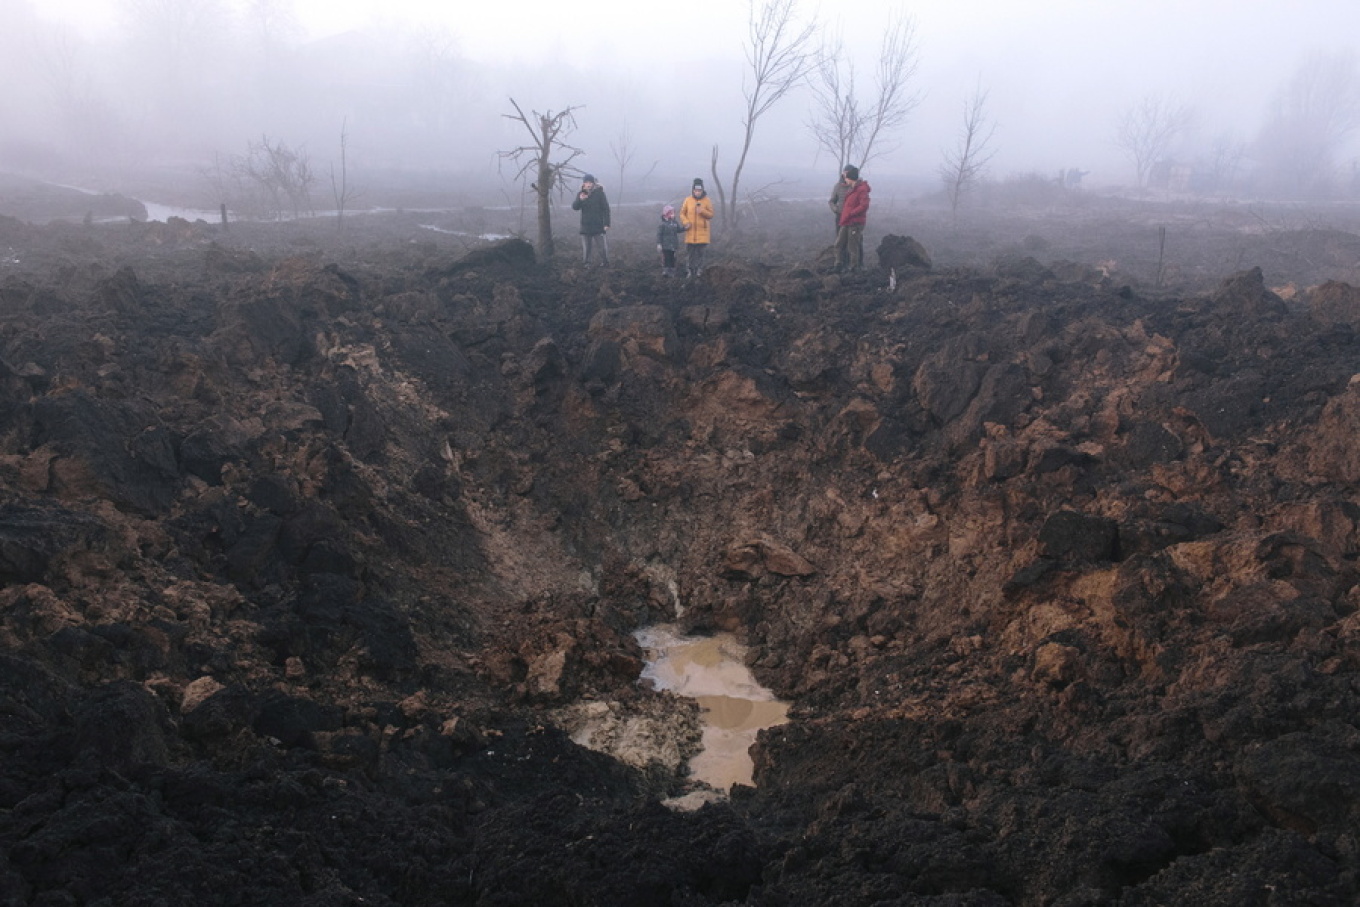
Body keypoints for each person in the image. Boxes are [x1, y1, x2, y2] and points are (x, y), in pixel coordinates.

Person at [833, 165, 870, 272]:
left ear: (850, 178)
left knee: (852, 246)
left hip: (855, 222)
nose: (845, 179)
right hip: (846, 221)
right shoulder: (851, 190)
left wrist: (851, 213)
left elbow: (864, 206)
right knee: (839, 244)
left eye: (846, 177)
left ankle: (854, 268)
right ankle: (838, 264)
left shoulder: (861, 190)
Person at [571, 174, 610, 266]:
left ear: (593, 183)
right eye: (586, 182)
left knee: (602, 247)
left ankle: (605, 262)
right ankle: (586, 264)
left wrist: (606, 223)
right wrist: (580, 200)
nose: (588, 184)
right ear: (583, 184)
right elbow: (575, 207)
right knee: (587, 248)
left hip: (598, 225)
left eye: (590, 182)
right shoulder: (581, 194)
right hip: (586, 226)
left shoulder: (600, 194)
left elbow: (606, 209)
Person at [679, 178, 714, 277]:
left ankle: (699, 270)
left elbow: (711, 215)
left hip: (703, 234)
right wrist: (686, 222)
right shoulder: (688, 200)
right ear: (693, 190)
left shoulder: (707, 201)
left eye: (699, 190)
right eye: (696, 190)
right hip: (690, 233)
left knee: (701, 254)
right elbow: (682, 213)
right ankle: (690, 271)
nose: (697, 192)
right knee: (690, 254)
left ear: (702, 190)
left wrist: (702, 211)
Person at [656, 204, 685, 277]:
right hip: (665, 245)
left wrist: (685, 228)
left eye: (673, 213)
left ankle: (672, 271)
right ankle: (666, 270)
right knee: (666, 257)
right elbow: (659, 234)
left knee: (672, 258)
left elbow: (678, 230)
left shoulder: (675, 223)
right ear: (666, 214)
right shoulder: (662, 224)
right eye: (671, 213)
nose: (673, 215)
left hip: (673, 244)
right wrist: (659, 244)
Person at [828, 165, 853, 237]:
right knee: (840, 239)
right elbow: (831, 201)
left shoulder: (856, 187)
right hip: (840, 217)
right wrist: (836, 210)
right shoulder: (838, 186)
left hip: (853, 218)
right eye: (846, 172)